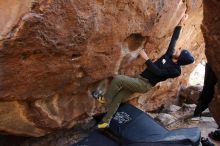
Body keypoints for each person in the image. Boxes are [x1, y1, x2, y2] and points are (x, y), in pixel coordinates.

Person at [93, 14, 194, 129]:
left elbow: (158, 73)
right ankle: (106, 121)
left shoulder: (176, 71)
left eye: (180, 51)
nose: (178, 49)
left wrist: (146, 58)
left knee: (118, 79)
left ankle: (105, 99)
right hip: (139, 78)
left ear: (179, 59)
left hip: (144, 84)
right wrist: (181, 23)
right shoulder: (170, 55)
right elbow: (174, 39)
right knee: (119, 98)